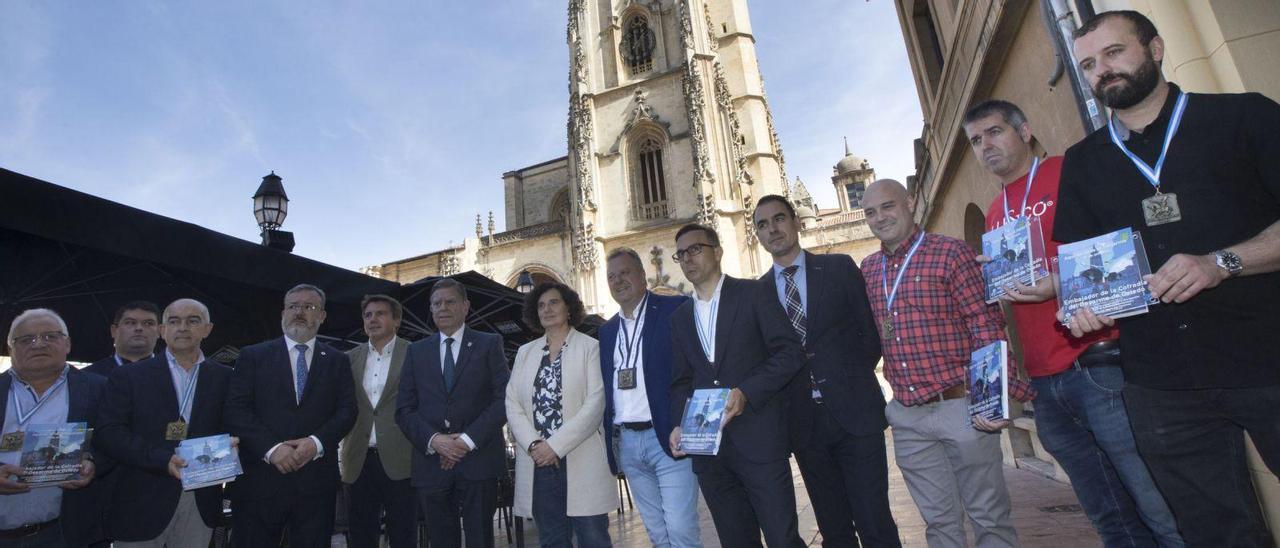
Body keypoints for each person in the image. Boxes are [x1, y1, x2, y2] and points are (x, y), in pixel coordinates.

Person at [1057, 10, 1280, 546]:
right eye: (1087, 64)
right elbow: (1082, 268)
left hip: (1269, 353)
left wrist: (1220, 262)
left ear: (1155, 49)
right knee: (1216, 533)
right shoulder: (1083, 163)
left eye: (1114, 53)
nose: (1101, 70)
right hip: (1161, 383)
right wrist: (1079, 308)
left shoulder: (1244, 117)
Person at [962, 99, 1183, 547]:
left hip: (1099, 359)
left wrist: (1056, 283)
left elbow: (1126, 244)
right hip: (1045, 379)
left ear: (1024, 131)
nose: (985, 146)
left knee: (1155, 498)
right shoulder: (993, 211)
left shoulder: (1069, 171)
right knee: (1106, 513)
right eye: (975, 140)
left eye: (994, 132)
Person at [859, 179, 1033, 548]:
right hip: (907, 417)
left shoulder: (952, 253)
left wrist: (994, 399)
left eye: (888, 206)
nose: (880, 218)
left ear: (909, 203)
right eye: (870, 212)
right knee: (938, 524)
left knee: (989, 517)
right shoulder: (870, 269)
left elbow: (986, 327)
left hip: (962, 407)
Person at [752, 196, 901, 548]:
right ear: (756, 234)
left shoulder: (838, 268)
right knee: (834, 529)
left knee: (874, 520)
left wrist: (843, 380)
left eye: (779, 219)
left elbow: (870, 335)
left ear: (796, 222)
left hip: (856, 416)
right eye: (762, 224)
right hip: (804, 426)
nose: (772, 229)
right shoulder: (755, 294)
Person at [667, 223, 806, 548]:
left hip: (759, 442)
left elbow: (789, 354)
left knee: (782, 538)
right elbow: (681, 381)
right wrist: (677, 423)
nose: (688, 258)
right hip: (711, 456)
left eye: (695, 249)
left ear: (717, 252)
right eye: (681, 254)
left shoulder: (754, 293)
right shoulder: (680, 318)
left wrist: (746, 392)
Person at [223, 284, 357, 546]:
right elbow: (236, 410)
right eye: (294, 306)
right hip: (259, 483)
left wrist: (315, 443)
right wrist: (272, 449)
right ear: (283, 313)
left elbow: (347, 411)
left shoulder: (337, 360)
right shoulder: (253, 356)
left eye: (309, 307)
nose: (300, 312)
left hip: (315, 485)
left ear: (322, 316)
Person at [94, 299, 234, 548]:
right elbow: (109, 433)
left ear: (207, 329)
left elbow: (235, 424)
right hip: (141, 498)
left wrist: (234, 440)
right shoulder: (128, 376)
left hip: (200, 499)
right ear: (162, 330)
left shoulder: (226, 378)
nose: (183, 327)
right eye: (174, 321)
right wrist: (162, 460)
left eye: (193, 321)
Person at [599, 248, 701, 548]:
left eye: (625, 272)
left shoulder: (676, 308)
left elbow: (695, 368)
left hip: (668, 436)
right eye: (611, 276)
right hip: (628, 444)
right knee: (657, 534)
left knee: (681, 529)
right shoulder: (606, 331)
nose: (618, 280)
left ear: (643, 275)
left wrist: (687, 421)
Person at [397, 279, 510, 547]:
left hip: (478, 460)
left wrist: (464, 442)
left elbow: (504, 400)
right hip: (431, 464)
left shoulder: (489, 343)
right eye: (436, 303)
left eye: (450, 302)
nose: (442, 308)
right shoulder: (416, 352)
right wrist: (436, 441)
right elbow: (404, 410)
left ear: (466, 306)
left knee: (480, 538)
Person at [505, 281, 615, 548]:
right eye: (541, 305)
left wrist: (554, 446)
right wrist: (534, 445)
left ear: (569, 308)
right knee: (552, 539)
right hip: (539, 463)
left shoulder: (590, 347)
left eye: (554, 302)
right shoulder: (525, 353)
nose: (547, 309)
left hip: (581, 457)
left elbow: (595, 403)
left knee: (593, 538)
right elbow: (512, 403)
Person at [1, 309, 105, 547]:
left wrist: (93, 463)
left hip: (62, 533)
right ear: (10, 349)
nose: (38, 344)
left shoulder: (99, 389)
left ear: (67, 344)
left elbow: (112, 441)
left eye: (50, 336)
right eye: (26, 339)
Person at [340, 295, 416, 548]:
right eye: (368, 315)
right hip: (358, 458)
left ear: (397, 320)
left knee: (403, 534)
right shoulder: (348, 358)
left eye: (380, 313)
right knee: (360, 535)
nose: (373, 319)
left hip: (401, 457)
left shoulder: (415, 352)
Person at [84, 301, 160, 378]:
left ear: (159, 331)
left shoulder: (170, 373)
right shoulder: (87, 377)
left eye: (148, 323)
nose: (139, 328)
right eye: (130, 323)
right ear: (114, 331)